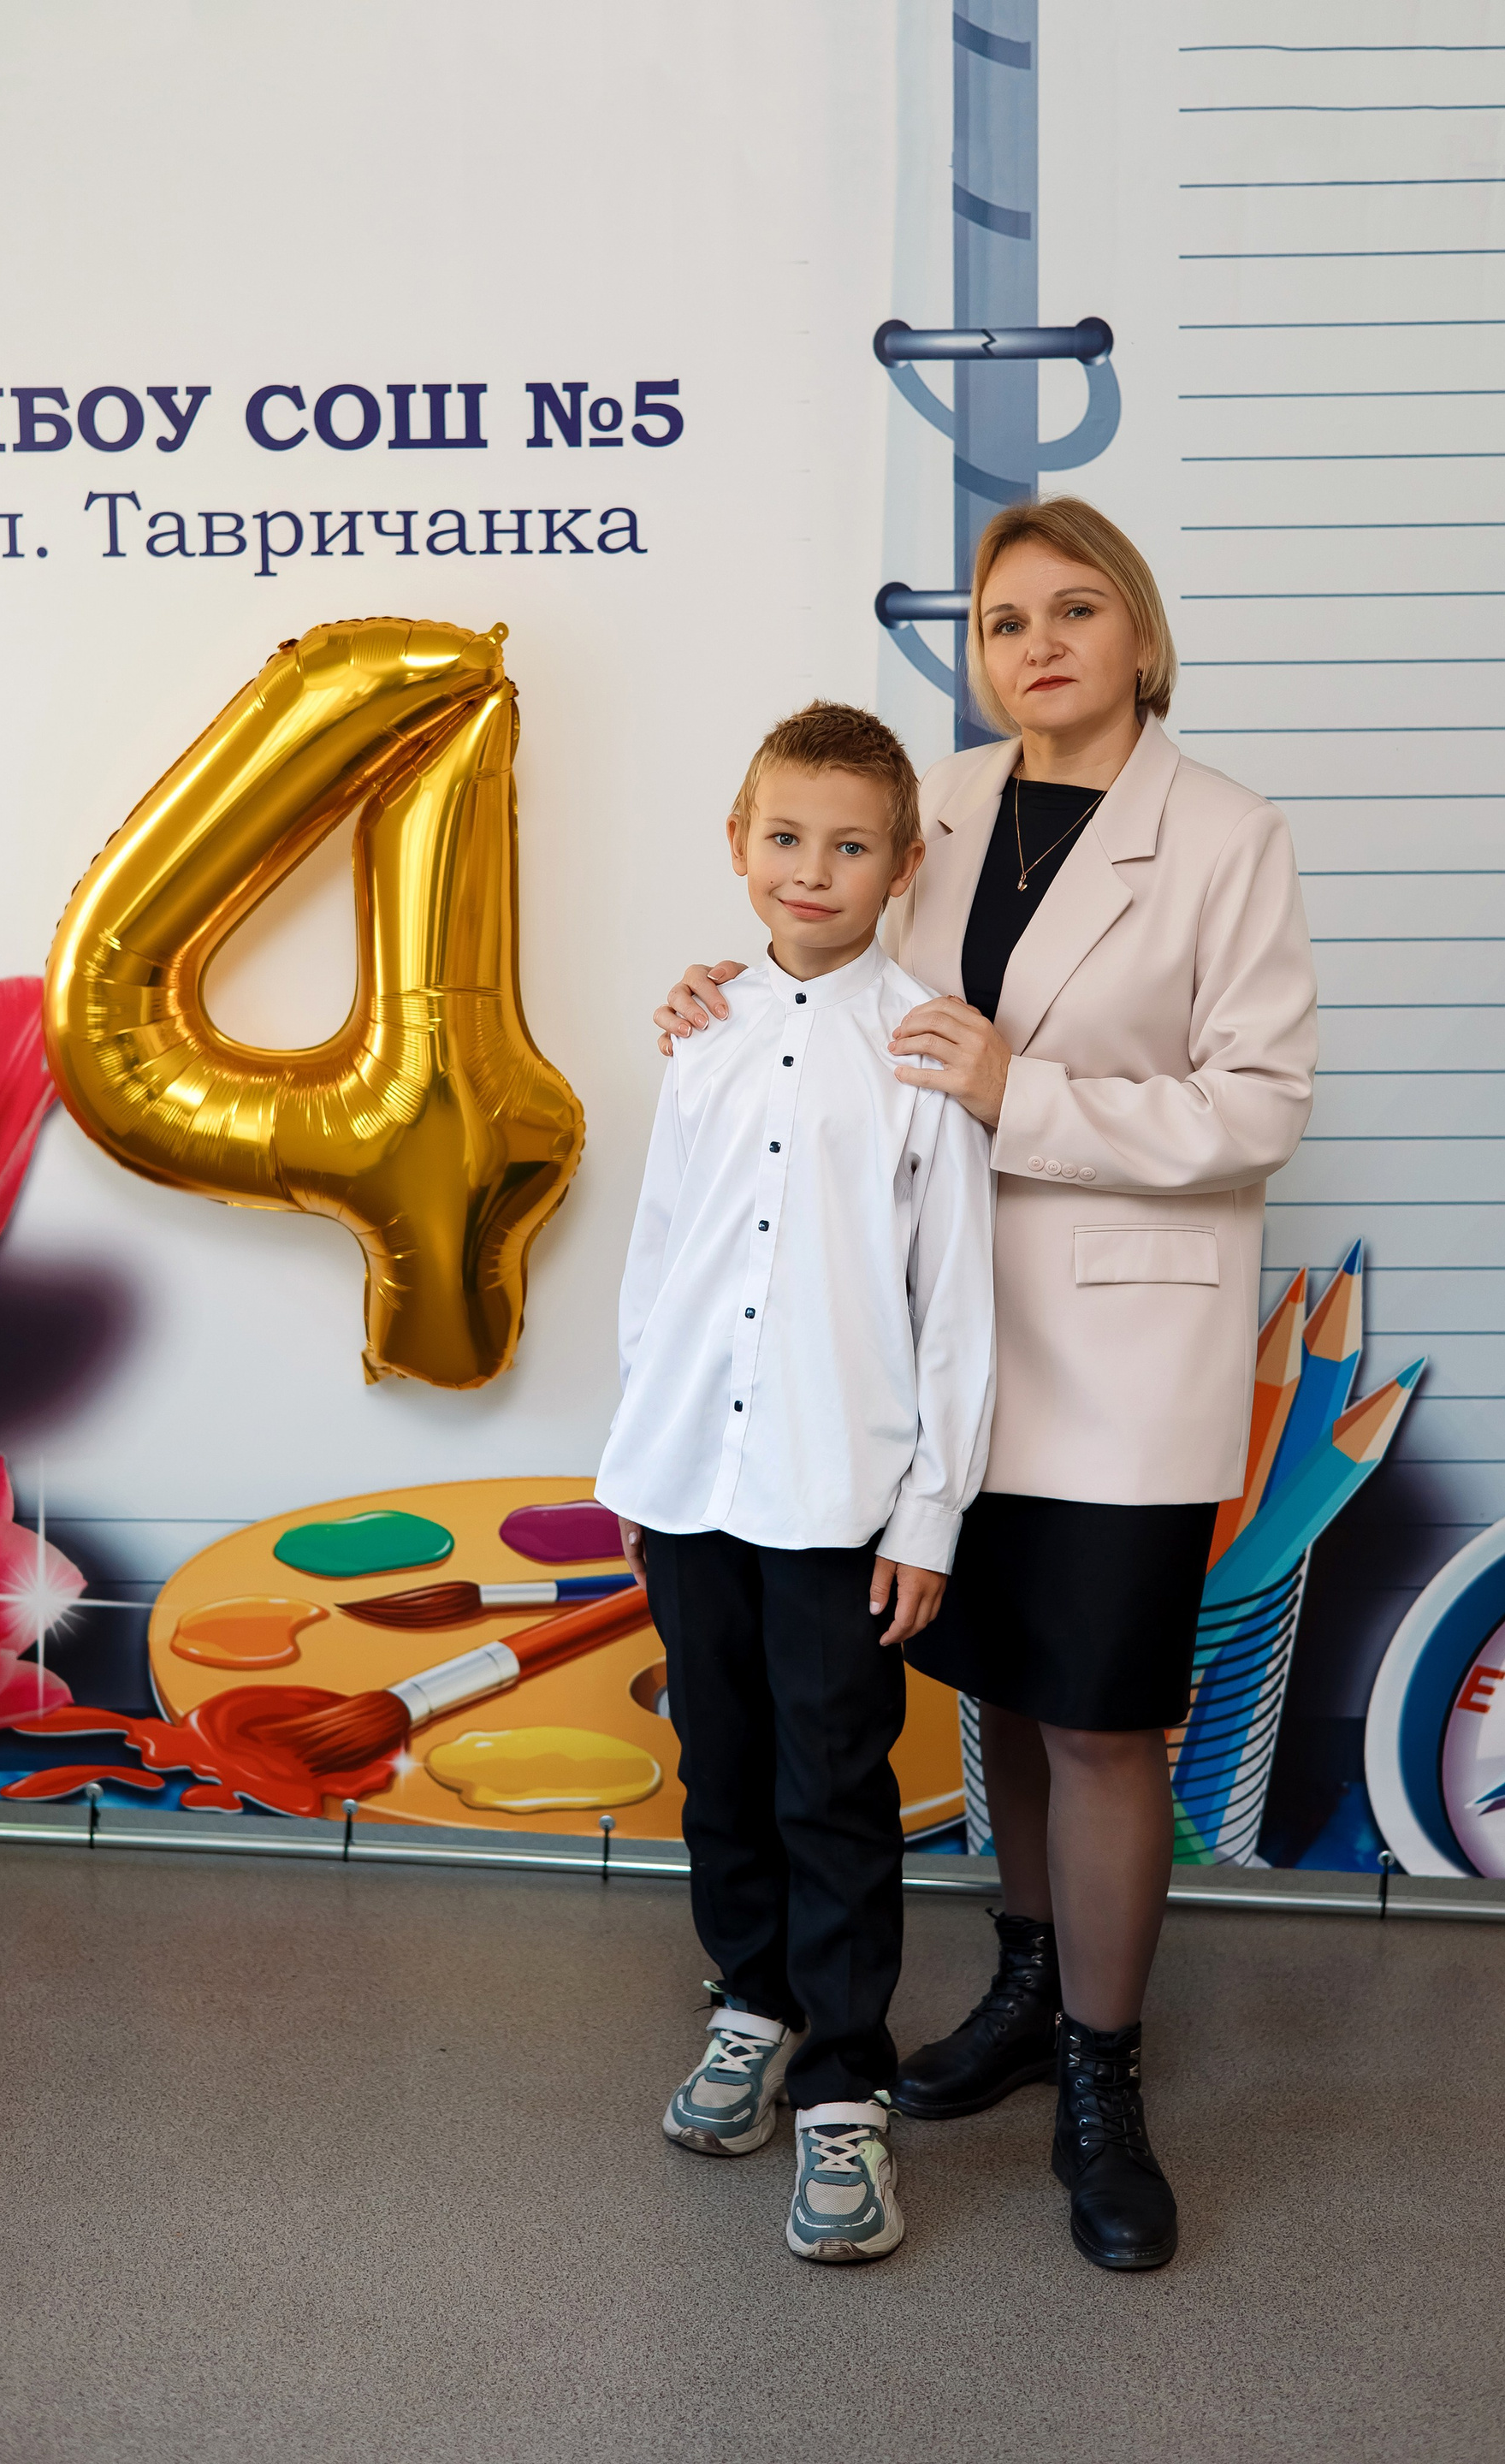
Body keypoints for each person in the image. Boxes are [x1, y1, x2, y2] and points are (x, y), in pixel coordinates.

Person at [654, 498, 1317, 2272]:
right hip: (913, 1345)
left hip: (1116, 1341)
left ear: (1140, 634)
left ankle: (1105, 2075)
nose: (1037, 644)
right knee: (1006, 1694)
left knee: (1100, 1714)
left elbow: (1259, 1106)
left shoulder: (1227, 833)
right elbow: (832, 961)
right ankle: (1025, 1988)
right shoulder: (933, 802)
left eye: (1074, 609)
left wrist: (1030, 1095)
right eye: (1004, 619)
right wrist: (725, 998)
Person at [596, 701, 995, 2265]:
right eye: (784, 837)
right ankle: (750, 2008)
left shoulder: (924, 1047)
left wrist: (931, 1511)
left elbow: (955, 1305)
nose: (810, 870)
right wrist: (642, 1460)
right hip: (691, 1476)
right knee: (722, 1763)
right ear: (737, 844)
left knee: (833, 1785)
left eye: (848, 846)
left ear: (901, 868)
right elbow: (660, 1261)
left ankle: (844, 2089)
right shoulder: (701, 1032)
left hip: (840, 1489)